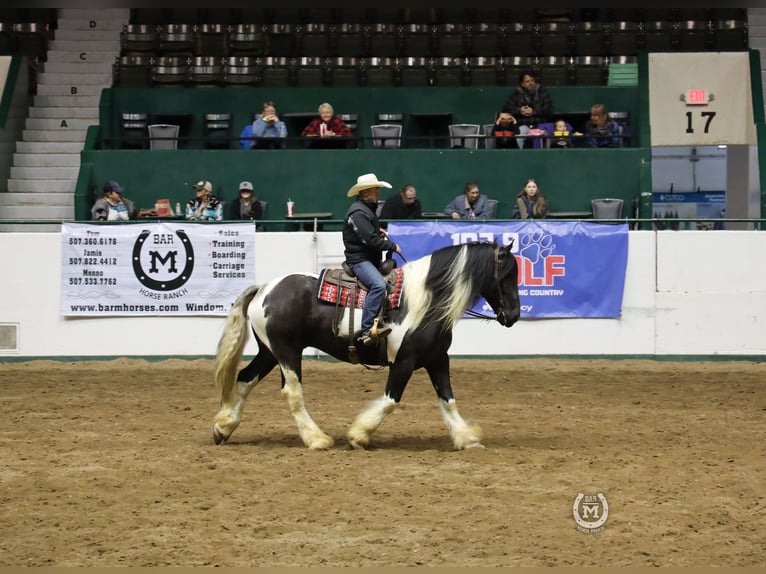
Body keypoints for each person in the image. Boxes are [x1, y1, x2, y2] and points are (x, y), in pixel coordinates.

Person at [343, 173, 401, 347]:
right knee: (379, 285)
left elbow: (369, 234)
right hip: (359, 260)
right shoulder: (358, 213)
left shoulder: (365, 210)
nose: (378, 193)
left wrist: (378, 230)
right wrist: (391, 246)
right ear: (366, 192)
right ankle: (367, 330)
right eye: (376, 190)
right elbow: (370, 240)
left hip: (366, 258)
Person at [503, 70, 554, 149]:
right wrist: (520, 110)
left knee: (547, 133)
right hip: (524, 125)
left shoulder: (542, 92)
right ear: (522, 84)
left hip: (540, 125)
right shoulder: (516, 95)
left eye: (532, 80)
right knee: (520, 132)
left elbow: (548, 109)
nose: (531, 83)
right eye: (527, 81)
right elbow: (507, 109)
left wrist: (533, 112)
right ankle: (521, 155)